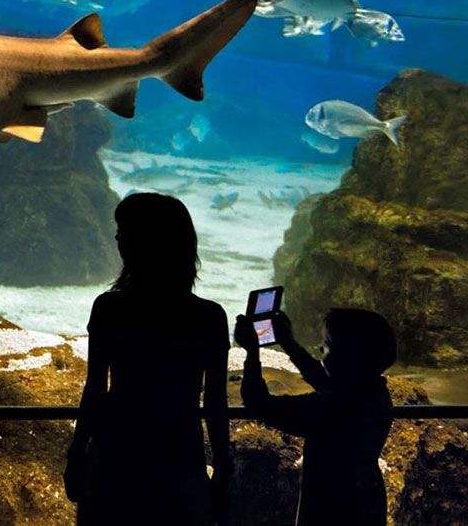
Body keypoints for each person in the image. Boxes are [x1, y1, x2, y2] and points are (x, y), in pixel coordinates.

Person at [65, 193, 230, 525]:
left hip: (116, 452)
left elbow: (95, 389)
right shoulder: (209, 316)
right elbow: (215, 403)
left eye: (123, 231)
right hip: (179, 452)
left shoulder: (109, 308)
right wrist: (225, 468)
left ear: (141, 242)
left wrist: (77, 452)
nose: (117, 239)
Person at [233, 309, 396, 526]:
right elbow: (327, 383)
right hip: (367, 504)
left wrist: (252, 352)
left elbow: (259, 403)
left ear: (348, 356)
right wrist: (288, 342)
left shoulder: (331, 408)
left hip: (329, 510)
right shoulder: (375, 393)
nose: (321, 348)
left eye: (328, 344)